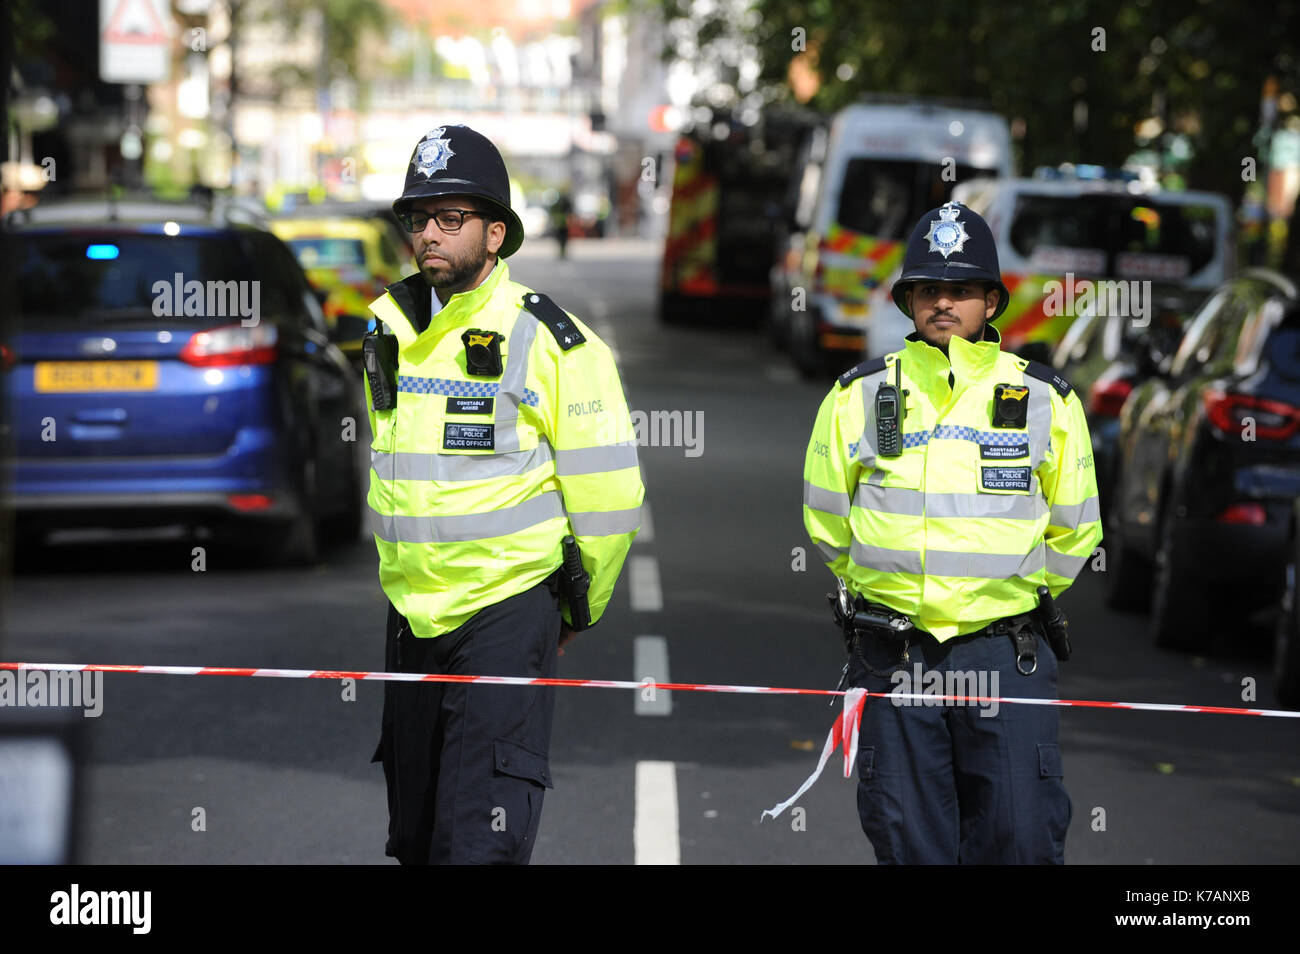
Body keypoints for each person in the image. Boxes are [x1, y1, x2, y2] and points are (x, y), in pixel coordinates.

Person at [365, 125, 644, 864]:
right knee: (418, 838)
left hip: (506, 608)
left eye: (450, 219)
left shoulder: (552, 342)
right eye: (418, 218)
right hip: (413, 615)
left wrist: (576, 609)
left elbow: (611, 499)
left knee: (478, 840)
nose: (429, 233)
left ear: (495, 234)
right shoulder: (389, 326)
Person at [802, 201, 1102, 864]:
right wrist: (880, 588)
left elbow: (1077, 526)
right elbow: (826, 520)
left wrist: (1011, 596)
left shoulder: (1046, 400)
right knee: (908, 840)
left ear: (992, 301)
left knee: (1021, 840)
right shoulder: (858, 394)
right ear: (908, 299)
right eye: (929, 289)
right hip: (894, 651)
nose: (945, 303)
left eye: (962, 289)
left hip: (1005, 653)